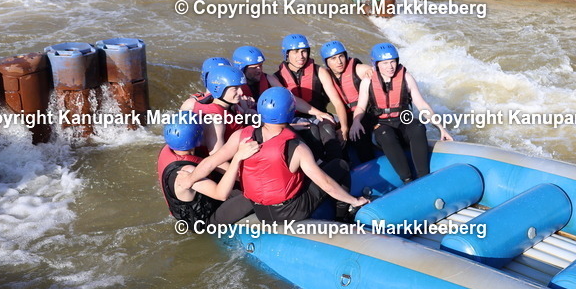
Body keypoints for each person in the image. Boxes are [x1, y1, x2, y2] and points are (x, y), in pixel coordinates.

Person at [185, 87, 369, 223]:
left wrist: (190, 180)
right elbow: (326, 184)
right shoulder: (297, 147)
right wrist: (355, 199)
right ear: (290, 112)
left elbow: (210, 163)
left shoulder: (241, 135)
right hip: (290, 212)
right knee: (339, 165)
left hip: (261, 211)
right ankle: (343, 216)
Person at [350, 42, 453, 184]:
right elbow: (361, 107)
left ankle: (424, 177)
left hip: (403, 122)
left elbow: (422, 105)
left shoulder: (406, 77)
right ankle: (407, 179)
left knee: (418, 126)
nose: (390, 67)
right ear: (376, 65)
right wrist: (356, 122)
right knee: (386, 134)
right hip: (382, 127)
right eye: (385, 63)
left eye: (392, 62)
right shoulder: (367, 81)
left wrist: (441, 128)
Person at [157, 111, 259, 225]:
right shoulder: (187, 171)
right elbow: (221, 194)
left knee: (244, 188)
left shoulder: (168, 149)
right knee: (257, 195)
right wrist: (237, 158)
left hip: (203, 200)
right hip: (205, 220)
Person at [321, 40, 377, 162]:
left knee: (359, 134)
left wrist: (371, 71)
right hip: (346, 115)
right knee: (335, 138)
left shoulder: (357, 69)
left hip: (364, 113)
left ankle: (368, 163)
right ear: (327, 62)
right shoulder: (326, 76)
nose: (339, 61)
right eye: (333, 58)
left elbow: (370, 71)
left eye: (341, 56)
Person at [186, 65, 254, 156]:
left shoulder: (230, 104)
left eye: (240, 87)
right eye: (235, 88)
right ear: (219, 89)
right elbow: (216, 160)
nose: (241, 92)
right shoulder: (215, 121)